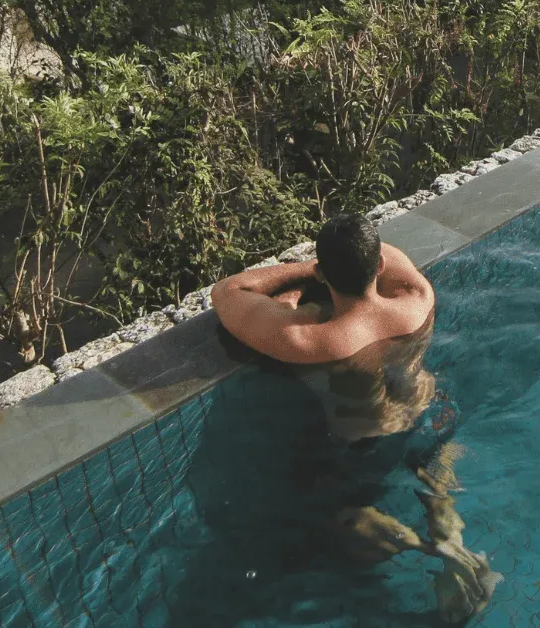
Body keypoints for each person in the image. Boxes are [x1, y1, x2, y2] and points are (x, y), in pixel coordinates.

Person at [212, 214, 500, 623]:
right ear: (378, 267)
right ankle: (451, 538)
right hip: (428, 416)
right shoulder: (416, 298)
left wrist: (305, 275)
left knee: (328, 520)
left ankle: (413, 543)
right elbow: (389, 253)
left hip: (365, 446)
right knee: (436, 482)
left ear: (324, 272)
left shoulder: (310, 339)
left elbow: (227, 291)